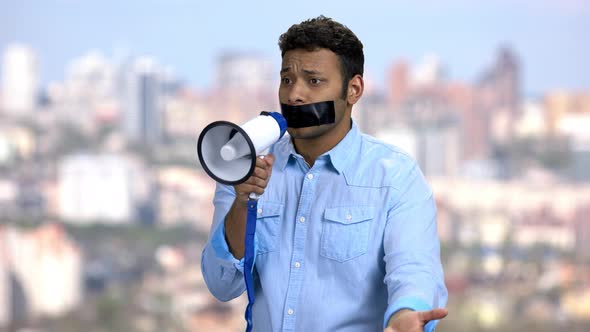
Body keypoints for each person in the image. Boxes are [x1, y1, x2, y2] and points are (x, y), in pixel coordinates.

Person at [201, 15, 448, 332]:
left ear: (353, 90)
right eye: (287, 80)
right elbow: (221, 285)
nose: (294, 96)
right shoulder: (244, 167)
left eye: (314, 81)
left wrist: (405, 316)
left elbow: (414, 270)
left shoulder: (394, 177)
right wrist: (242, 201)